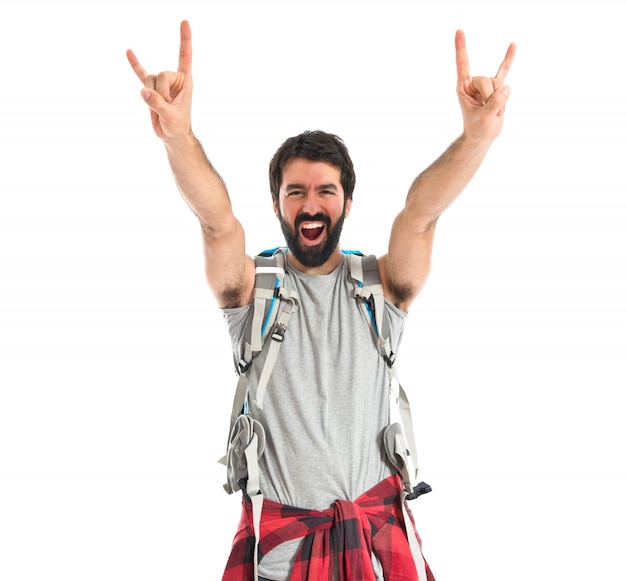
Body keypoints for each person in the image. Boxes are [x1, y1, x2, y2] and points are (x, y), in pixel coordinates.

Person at [127, 20, 515, 581]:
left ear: (347, 204)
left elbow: (421, 214)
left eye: (326, 191)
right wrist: (179, 137)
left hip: (379, 540)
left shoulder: (382, 287)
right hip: (283, 552)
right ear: (279, 205)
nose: (311, 204)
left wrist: (477, 137)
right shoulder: (250, 289)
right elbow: (216, 224)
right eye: (296, 192)